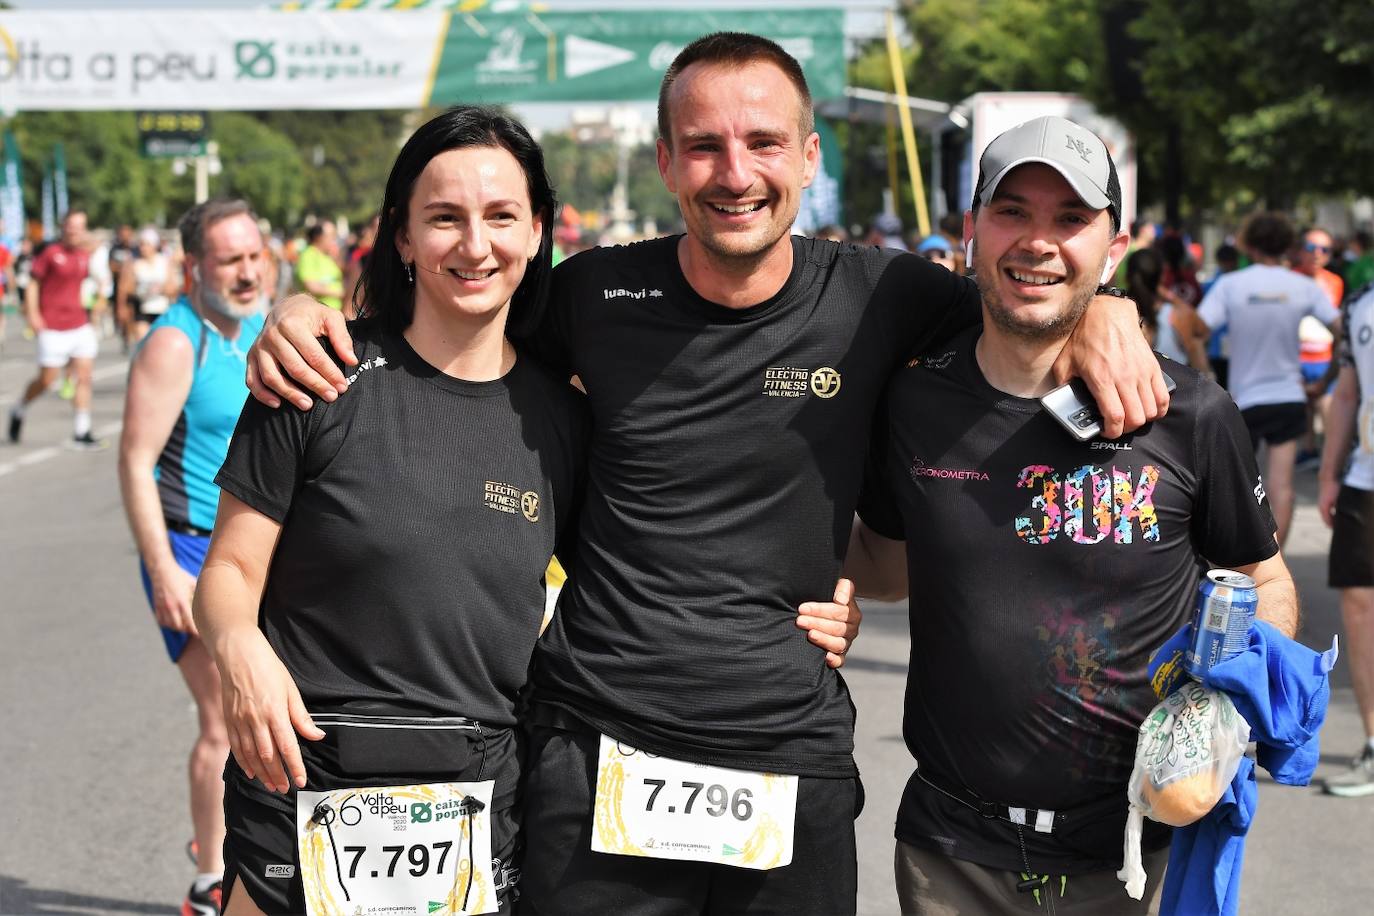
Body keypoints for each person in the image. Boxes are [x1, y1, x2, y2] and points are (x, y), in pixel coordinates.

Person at [242, 34, 1166, 915]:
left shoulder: (887, 295)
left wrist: (1106, 314)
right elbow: (451, 329)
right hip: (593, 742)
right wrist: (294, 312)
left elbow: (1026, 298)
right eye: (703, 147)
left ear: (808, 157)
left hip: (787, 752)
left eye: (763, 142)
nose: (735, 173)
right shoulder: (592, 296)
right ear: (665, 162)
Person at [844, 115, 1298, 914]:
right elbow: (886, 560)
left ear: (1114, 249)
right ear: (971, 232)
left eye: (1071, 219)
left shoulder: (1187, 413)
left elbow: (1263, 576)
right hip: (950, 852)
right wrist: (786, 569)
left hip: (1131, 854)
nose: (1037, 242)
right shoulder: (912, 400)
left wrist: (1221, 713)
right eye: (1012, 212)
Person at [194, 107, 591, 915]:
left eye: (501, 217)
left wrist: (811, 596)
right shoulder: (316, 377)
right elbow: (231, 569)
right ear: (402, 238)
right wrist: (236, 647)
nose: (475, 246)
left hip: (474, 801)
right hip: (299, 780)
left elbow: (637, 580)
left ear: (537, 231)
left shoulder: (568, 420)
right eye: (444, 218)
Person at [117, 199, 269, 916]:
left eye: (253, 255)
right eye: (230, 260)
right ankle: (209, 879)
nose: (247, 272)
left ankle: (245, 854)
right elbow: (137, 461)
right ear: (193, 268)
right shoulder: (177, 344)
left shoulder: (259, 326)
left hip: (257, 548)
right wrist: (162, 571)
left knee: (264, 713)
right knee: (223, 718)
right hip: (190, 548)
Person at [1194, 212, 1339, 547]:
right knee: (1281, 485)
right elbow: (1341, 333)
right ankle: (1276, 561)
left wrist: (1205, 375)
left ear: (1249, 243)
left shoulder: (1231, 285)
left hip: (1242, 401)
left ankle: (1243, 564)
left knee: (1238, 488)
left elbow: (1195, 331)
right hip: (1288, 396)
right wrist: (1327, 378)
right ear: (1288, 244)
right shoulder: (1304, 286)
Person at [1316, 280, 1374, 797]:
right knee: (1359, 605)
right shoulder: (1359, 302)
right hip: (1365, 479)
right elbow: (1348, 394)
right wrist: (1331, 472)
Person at [8, 210, 104, 448]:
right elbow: (32, 283)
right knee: (47, 380)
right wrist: (33, 314)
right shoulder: (50, 253)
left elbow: (96, 272)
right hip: (52, 325)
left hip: (79, 324)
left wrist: (98, 304)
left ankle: (81, 431)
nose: (74, 231)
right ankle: (19, 408)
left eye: (79, 227)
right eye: (71, 226)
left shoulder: (84, 254)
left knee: (83, 376)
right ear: (63, 227)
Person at [1125, 246, 1209, 371]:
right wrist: (1170, 295)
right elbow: (1204, 331)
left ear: (1128, 276)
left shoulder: (1118, 316)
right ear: (1161, 277)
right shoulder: (1177, 315)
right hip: (1175, 389)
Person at [115, 227, 178, 348]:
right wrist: (122, 306)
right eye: (141, 244)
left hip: (161, 309)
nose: (143, 248)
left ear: (154, 245)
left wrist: (162, 289)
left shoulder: (164, 262)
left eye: (147, 244)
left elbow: (173, 287)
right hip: (142, 308)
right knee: (143, 345)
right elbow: (123, 287)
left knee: (161, 346)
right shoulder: (134, 263)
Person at [294, 220, 343, 310]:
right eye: (331, 235)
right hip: (316, 314)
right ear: (318, 237)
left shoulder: (327, 256)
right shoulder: (308, 255)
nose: (334, 239)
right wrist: (341, 293)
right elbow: (311, 286)